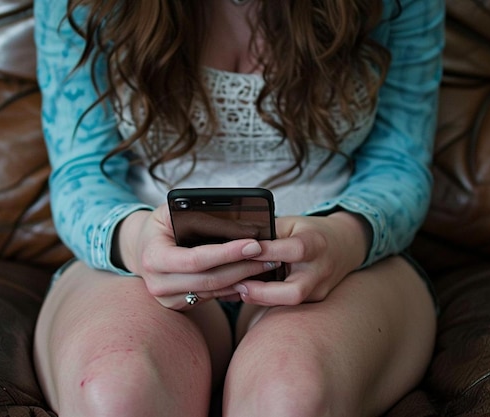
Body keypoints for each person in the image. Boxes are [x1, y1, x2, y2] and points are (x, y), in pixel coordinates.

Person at [33, 0, 444, 415]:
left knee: (291, 397)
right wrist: (137, 242)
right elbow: (80, 170)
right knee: (114, 391)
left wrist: (343, 238)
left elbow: (401, 162)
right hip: (140, 262)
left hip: (338, 260)